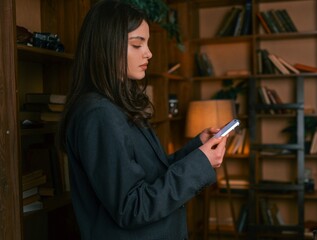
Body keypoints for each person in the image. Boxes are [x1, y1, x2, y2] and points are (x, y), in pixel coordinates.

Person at [58, 1, 228, 239]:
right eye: (137, 44)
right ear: (107, 45)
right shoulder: (99, 114)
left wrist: (196, 151)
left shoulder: (118, 105)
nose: (149, 53)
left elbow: (150, 176)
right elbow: (132, 207)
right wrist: (200, 163)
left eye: (146, 44)